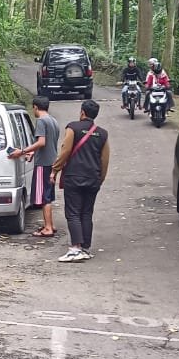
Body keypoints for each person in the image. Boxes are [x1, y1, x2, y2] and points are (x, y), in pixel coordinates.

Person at [51, 100, 111, 263]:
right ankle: (85, 248)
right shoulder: (103, 134)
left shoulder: (73, 128)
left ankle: (75, 248)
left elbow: (65, 151)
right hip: (93, 178)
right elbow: (104, 160)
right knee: (86, 213)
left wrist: (55, 169)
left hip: (74, 176)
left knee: (73, 212)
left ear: (82, 112)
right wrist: (100, 179)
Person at [11, 96, 61, 238]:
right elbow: (48, 143)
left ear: (35, 107)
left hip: (43, 164)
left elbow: (41, 142)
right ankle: (50, 225)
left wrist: (22, 151)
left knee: (43, 197)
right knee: (48, 195)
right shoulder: (53, 121)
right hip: (52, 163)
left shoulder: (41, 121)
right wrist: (33, 153)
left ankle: (48, 227)